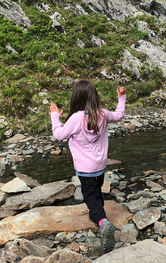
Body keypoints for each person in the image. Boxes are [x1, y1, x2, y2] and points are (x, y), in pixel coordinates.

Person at [50, 80, 126, 253]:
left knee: (89, 195)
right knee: (97, 190)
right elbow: (119, 115)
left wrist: (55, 116)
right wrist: (121, 98)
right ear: (94, 97)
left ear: (76, 98)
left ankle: (103, 223)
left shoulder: (76, 118)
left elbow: (59, 134)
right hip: (100, 165)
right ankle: (97, 215)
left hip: (85, 168)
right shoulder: (103, 114)